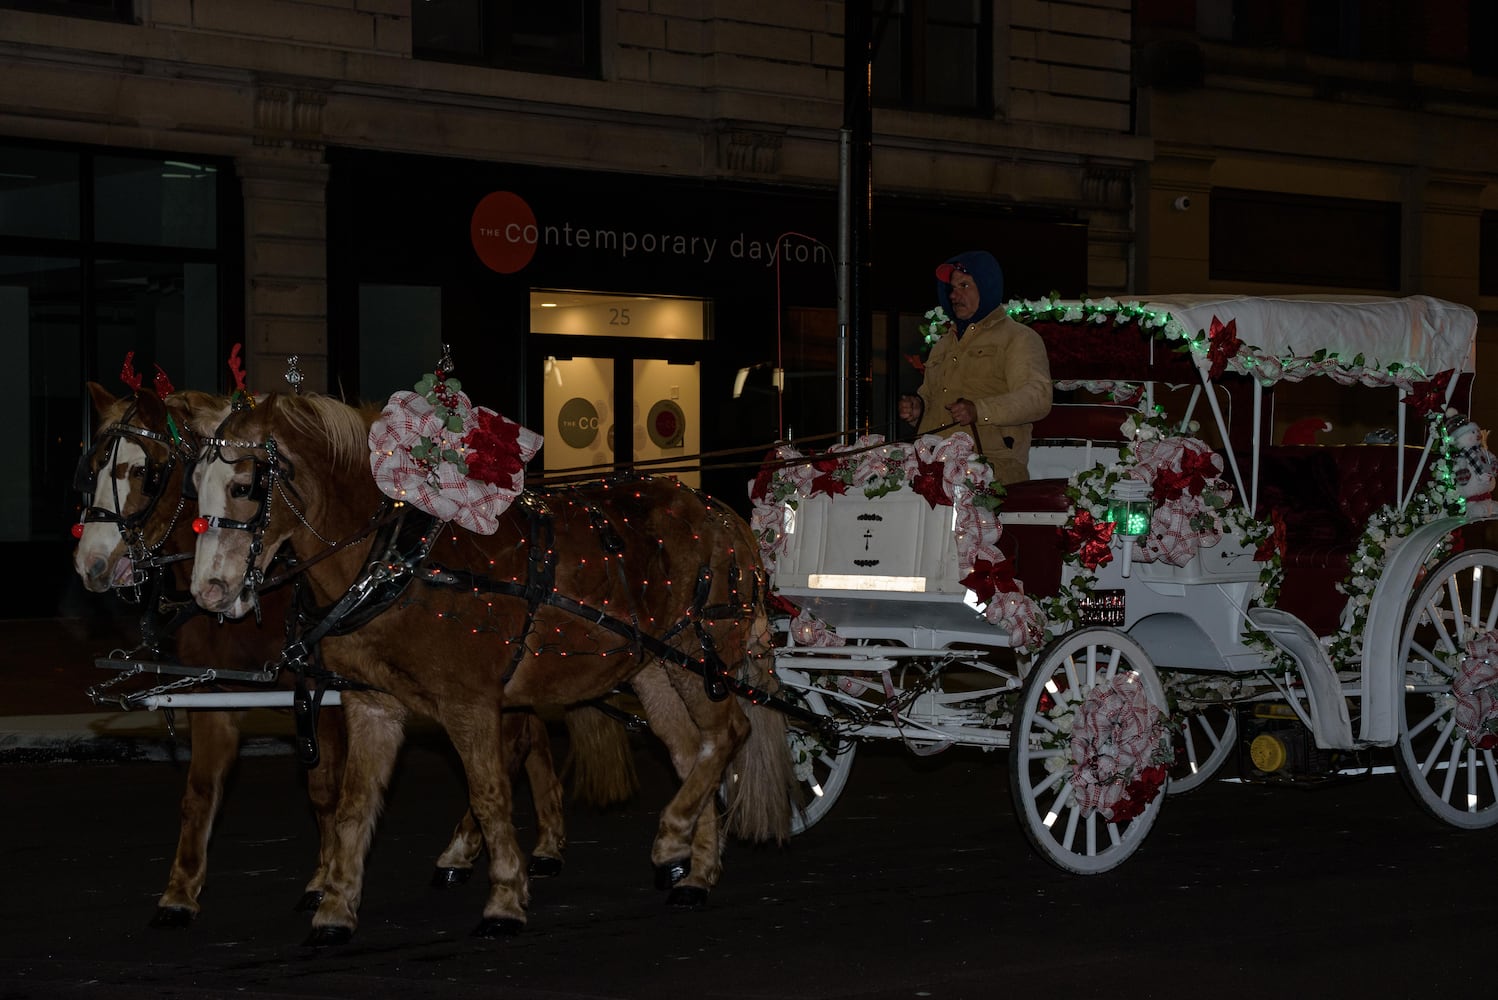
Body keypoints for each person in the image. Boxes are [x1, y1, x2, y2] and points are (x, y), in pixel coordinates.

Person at [898, 250, 1052, 485]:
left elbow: (1037, 398)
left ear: (987, 286)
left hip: (990, 470)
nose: (954, 295)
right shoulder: (943, 344)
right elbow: (929, 399)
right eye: (952, 288)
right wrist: (917, 410)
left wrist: (980, 410)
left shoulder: (1018, 338)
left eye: (964, 285)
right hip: (931, 469)